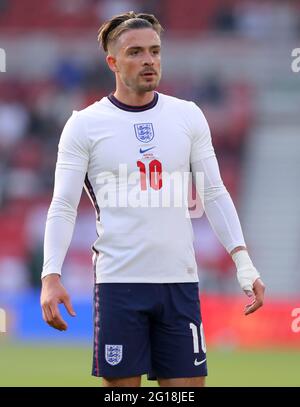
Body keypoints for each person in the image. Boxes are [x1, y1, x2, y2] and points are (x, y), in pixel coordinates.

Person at [40, 11, 265, 388]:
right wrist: (50, 275)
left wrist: (242, 260)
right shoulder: (84, 124)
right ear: (112, 62)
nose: (149, 60)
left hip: (180, 283)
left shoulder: (187, 116)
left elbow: (213, 191)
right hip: (119, 284)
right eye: (136, 53)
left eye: (155, 51)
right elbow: (62, 205)